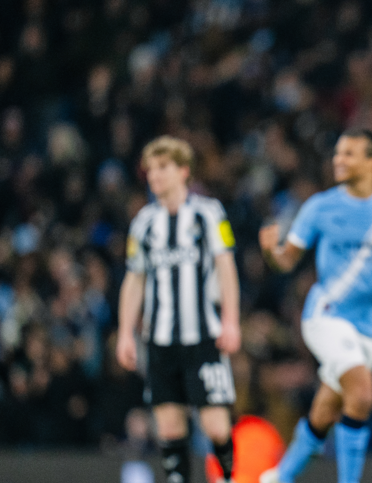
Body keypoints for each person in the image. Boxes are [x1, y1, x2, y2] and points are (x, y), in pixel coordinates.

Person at [258, 130, 372, 483]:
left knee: (327, 409)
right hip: (326, 315)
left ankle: (278, 477)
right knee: (363, 393)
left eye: (349, 153)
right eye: (338, 153)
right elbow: (287, 261)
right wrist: (269, 252)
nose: (338, 160)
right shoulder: (320, 207)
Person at [116, 136, 241, 483]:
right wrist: (126, 332)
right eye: (150, 169)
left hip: (204, 336)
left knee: (216, 426)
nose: (154, 176)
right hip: (160, 340)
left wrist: (231, 320)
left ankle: (227, 478)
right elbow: (135, 279)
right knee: (169, 427)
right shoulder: (143, 223)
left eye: (163, 167)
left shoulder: (208, 213)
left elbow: (225, 267)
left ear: (183, 171)